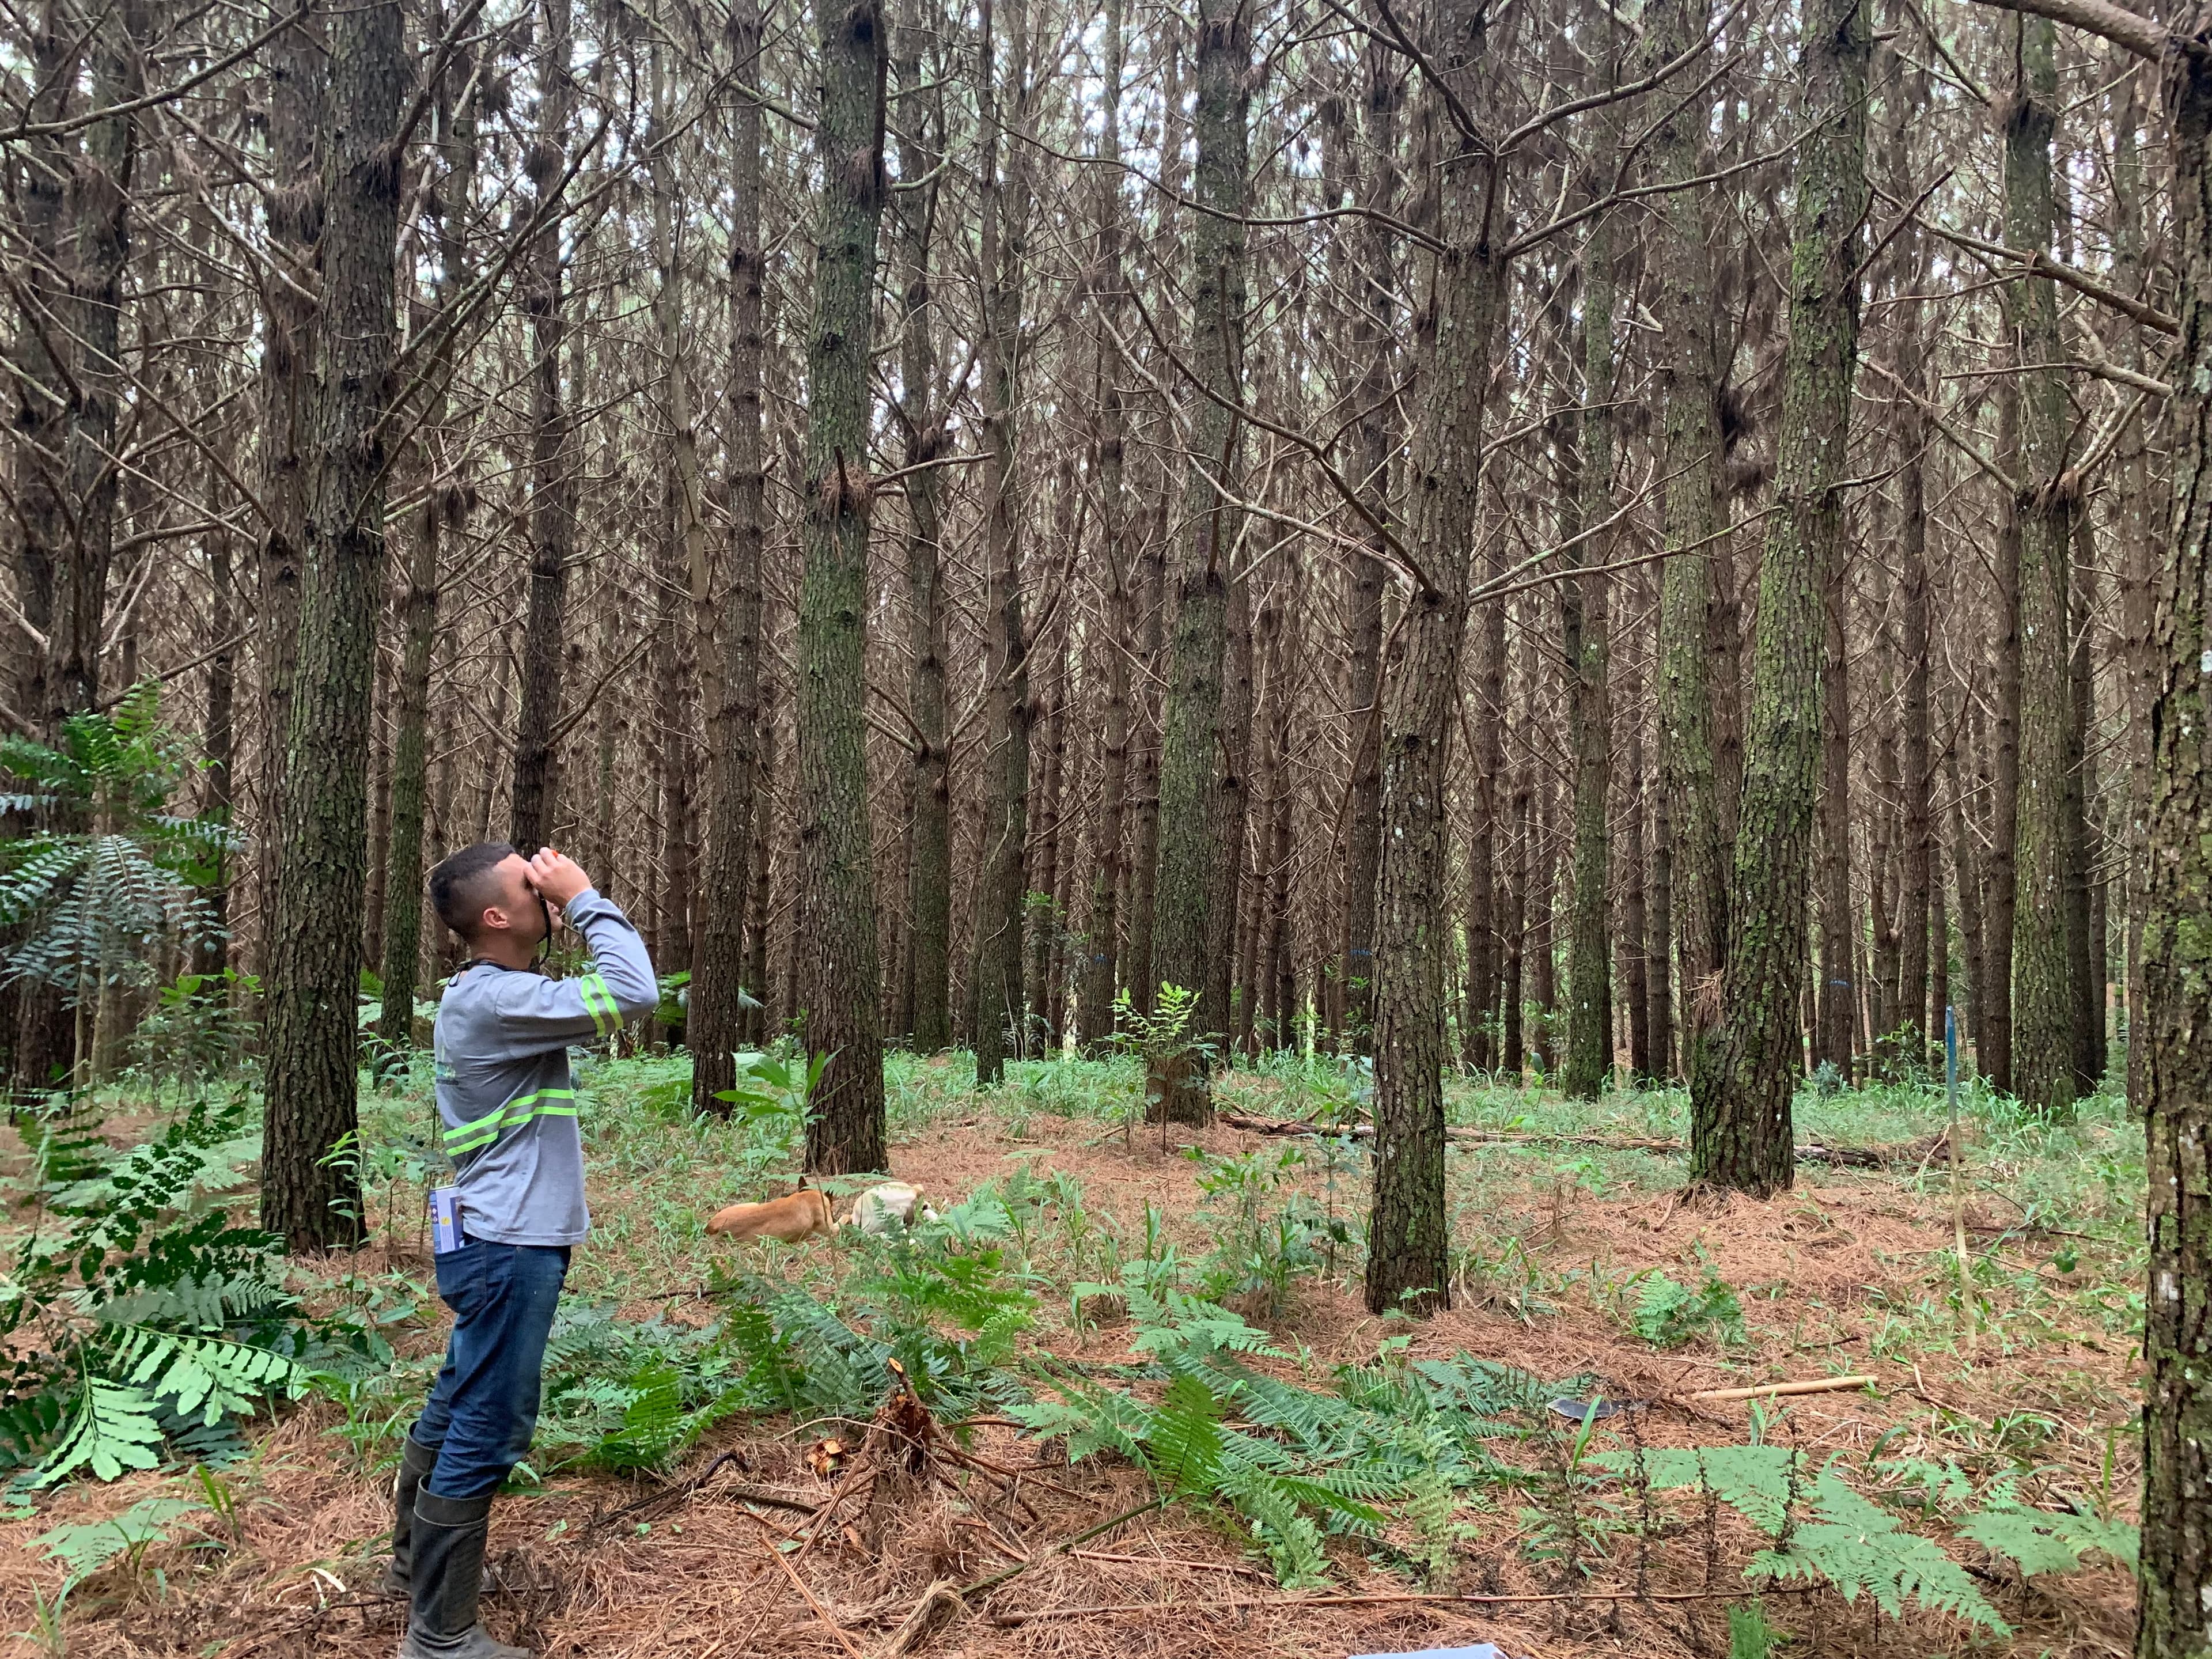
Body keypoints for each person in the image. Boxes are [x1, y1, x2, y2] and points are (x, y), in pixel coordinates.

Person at [385, 843, 656, 1659]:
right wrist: (586, 897)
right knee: (489, 1422)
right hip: (507, 1241)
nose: (544, 889)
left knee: (459, 1395)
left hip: (487, 1232)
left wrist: (565, 903)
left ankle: (414, 1571)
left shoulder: (488, 995)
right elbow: (635, 992)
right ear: (497, 916)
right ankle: (441, 1636)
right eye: (528, 885)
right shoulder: (497, 999)